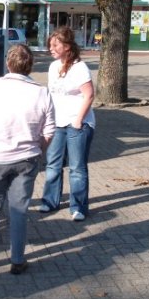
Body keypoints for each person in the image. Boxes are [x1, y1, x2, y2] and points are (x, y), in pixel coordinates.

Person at [0, 44, 55, 274]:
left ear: (8, 63)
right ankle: (17, 260)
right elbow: (49, 130)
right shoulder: (42, 91)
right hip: (26, 159)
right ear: (30, 66)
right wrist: (39, 149)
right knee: (19, 210)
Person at [39, 26, 96, 222]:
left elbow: (89, 95)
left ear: (67, 46)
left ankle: (78, 206)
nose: (51, 48)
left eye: (55, 45)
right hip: (57, 123)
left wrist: (79, 120)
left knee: (77, 168)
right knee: (53, 164)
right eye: (50, 45)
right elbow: (51, 95)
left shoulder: (79, 68)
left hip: (78, 123)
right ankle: (50, 201)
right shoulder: (53, 67)